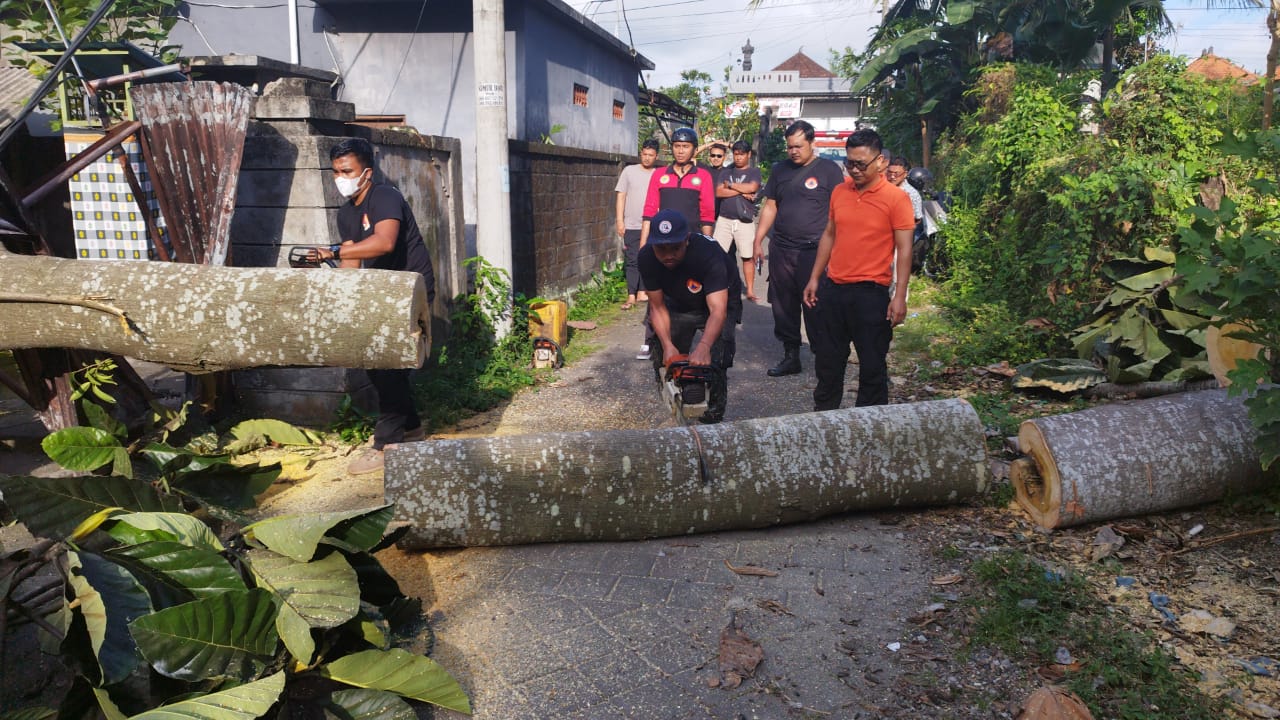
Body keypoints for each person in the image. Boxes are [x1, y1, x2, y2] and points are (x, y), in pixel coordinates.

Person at [311, 137, 436, 475]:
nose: (341, 178)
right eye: (336, 171)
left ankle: (386, 446)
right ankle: (410, 429)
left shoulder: (385, 197)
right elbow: (352, 265)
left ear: (366, 171)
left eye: (347, 170)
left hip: (411, 291)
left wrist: (333, 251)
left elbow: (384, 242)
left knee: (389, 366)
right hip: (381, 294)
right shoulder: (346, 213)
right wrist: (334, 288)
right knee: (379, 366)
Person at [802, 129, 913, 410]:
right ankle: (824, 426)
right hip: (834, 290)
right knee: (828, 365)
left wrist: (899, 296)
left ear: (880, 162)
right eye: (849, 163)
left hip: (871, 294)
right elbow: (829, 234)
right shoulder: (840, 191)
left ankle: (869, 431)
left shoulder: (896, 199)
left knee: (872, 368)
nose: (854, 170)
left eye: (860, 164)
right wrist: (815, 277)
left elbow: (905, 250)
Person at [752, 120, 845, 377]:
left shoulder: (829, 171)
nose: (793, 151)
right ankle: (791, 355)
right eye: (790, 147)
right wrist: (758, 238)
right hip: (782, 248)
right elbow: (771, 205)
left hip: (814, 251)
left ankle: (823, 354)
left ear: (812, 143)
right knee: (783, 305)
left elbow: (839, 212)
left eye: (799, 146)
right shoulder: (780, 170)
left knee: (816, 304)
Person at [639, 209, 742, 424]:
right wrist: (668, 345)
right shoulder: (647, 257)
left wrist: (704, 346)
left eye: (675, 248)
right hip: (677, 299)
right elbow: (657, 308)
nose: (668, 255)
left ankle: (712, 418)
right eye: (661, 249)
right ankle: (676, 406)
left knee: (715, 358)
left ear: (686, 239)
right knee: (665, 355)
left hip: (718, 299)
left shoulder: (707, 254)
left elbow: (718, 310)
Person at [636, 126, 716, 360]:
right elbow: (649, 211)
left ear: (694, 149)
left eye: (685, 147)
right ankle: (651, 341)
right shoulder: (660, 174)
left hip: (688, 244)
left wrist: (708, 242)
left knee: (691, 292)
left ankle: (697, 342)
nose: (681, 151)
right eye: (677, 146)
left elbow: (707, 213)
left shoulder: (703, 176)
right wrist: (644, 245)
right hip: (661, 243)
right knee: (657, 296)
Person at [713, 140, 762, 302]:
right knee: (717, 255)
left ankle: (750, 290)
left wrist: (731, 186)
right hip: (724, 220)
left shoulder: (754, 172)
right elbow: (719, 192)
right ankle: (717, 287)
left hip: (745, 222)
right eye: (736, 154)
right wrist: (741, 192)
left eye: (742, 154)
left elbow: (752, 188)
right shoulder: (726, 171)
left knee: (747, 257)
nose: (738, 157)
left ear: (748, 155)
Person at [615, 139, 660, 310]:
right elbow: (621, 196)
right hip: (631, 224)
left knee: (649, 259)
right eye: (644, 154)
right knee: (632, 260)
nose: (647, 158)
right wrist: (619, 220)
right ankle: (631, 295)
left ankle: (643, 291)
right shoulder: (628, 171)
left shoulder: (658, 174)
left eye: (651, 155)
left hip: (652, 225)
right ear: (641, 153)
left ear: (656, 156)